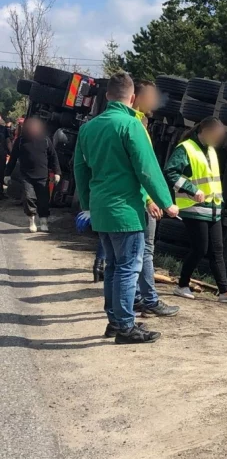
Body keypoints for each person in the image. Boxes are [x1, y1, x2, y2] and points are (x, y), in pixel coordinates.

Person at [73, 72, 179, 344]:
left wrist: (87, 204)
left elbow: (80, 169)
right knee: (127, 269)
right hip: (126, 212)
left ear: (107, 96)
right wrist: (167, 203)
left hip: (101, 210)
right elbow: (148, 169)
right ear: (132, 98)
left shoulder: (88, 128)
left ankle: (114, 320)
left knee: (112, 267)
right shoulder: (131, 126)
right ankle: (124, 325)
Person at [163, 116, 227, 303]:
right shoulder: (185, 148)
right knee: (200, 249)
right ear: (206, 131)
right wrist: (192, 190)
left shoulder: (210, 150)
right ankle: (182, 285)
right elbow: (170, 172)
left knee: (217, 250)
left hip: (213, 208)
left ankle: (225, 292)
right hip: (194, 207)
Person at [131, 80, 179, 318]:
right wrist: (153, 200)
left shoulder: (138, 123)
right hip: (142, 201)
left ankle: (138, 299)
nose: (155, 101)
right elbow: (144, 170)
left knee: (132, 254)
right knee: (145, 251)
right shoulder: (136, 125)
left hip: (134, 200)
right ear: (137, 97)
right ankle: (148, 299)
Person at [4, 117, 60, 232]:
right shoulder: (20, 141)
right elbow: (13, 159)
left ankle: (44, 221)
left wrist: (57, 172)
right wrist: (7, 174)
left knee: (43, 200)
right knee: (29, 198)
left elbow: (54, 157)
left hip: (43, 176)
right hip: (26, 176)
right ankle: (32, 221)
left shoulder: (45, 140)